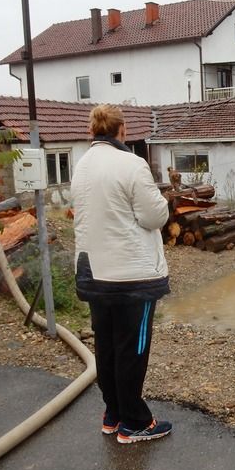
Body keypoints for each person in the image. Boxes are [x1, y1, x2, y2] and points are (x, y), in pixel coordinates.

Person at [71, 105, 172, 444]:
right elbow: (154, 216)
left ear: (92, 131)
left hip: (94, 272)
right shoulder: (132, 164)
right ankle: (135, 423)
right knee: (133, 348)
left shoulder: (82, 166)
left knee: (107, 345)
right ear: (122, 130)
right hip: (132, 275)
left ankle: (113, 414)